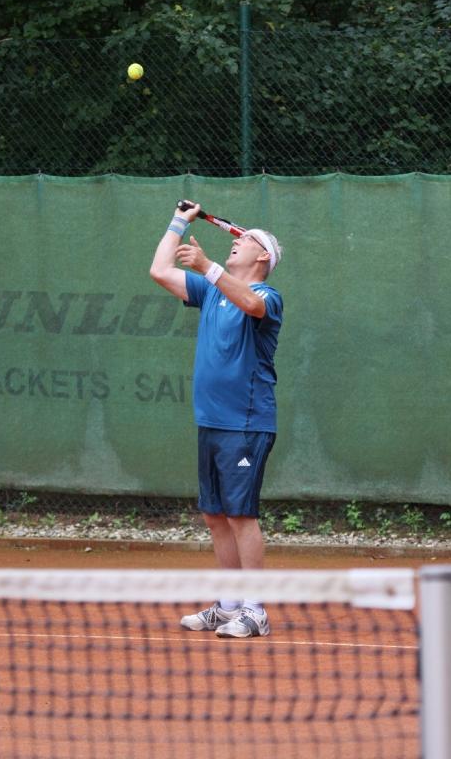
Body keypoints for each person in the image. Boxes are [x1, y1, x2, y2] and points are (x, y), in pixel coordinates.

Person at [150, 200, 283, 638]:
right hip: (210, 421)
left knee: (241, 516)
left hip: (246, 423)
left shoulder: (268, 297)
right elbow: (159, 271)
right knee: (215, 516)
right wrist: (178, 222)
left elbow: (250, 303)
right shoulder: (211, 291)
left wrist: (207, 266)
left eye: (247, 239)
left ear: (263, 258)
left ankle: (255, 610)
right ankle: (228, 607)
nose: (237, 240)